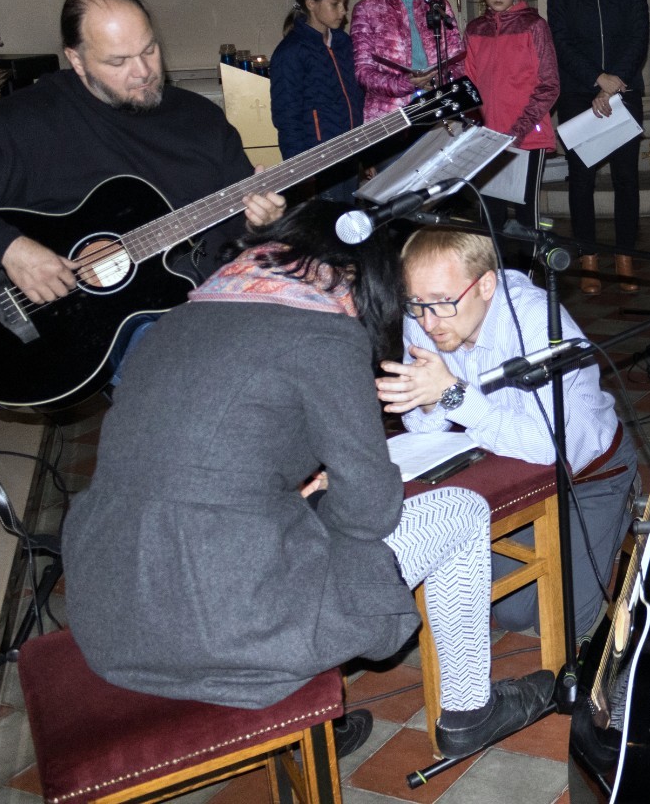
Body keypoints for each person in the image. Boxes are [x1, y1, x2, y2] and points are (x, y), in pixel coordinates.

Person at [63, 201, 554, 759]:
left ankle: (308, 718)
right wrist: (328, 498)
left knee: (294, 519)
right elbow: (371, 507)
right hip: (225, 624)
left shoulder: (176, 321)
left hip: (112, 609)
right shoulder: (323, 332)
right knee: (458, 511)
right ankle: (470, 712)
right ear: (361, 273)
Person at [0, 0, 283, 305]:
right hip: (81, 332)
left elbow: (238, 235)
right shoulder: (24, 122)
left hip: (210, 300)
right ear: (76, 60)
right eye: (119, 61)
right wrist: (9, 249)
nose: (143, 72)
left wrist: (260, 225)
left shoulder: (202, 120)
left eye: (149, 50)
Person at [375, 227, 637, 638]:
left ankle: (620, 510)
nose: (428, 322)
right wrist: (428, 400)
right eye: (416, 304)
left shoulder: (537, 321)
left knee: (564, 624)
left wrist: (452, 393)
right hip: (514, 464)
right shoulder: (425, 313)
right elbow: (425, 426)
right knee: (513, 615)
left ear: (485, 286)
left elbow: (548, 447)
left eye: (442, 303)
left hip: (590, 475)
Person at [547, 0, 650, 294]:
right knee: (581, 180)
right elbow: (560, 39)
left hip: (624, 89)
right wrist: (596, 80)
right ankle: (588, 259)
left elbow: (638, 33)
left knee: (626, 179)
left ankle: (625, 258)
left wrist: (614, 80)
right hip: (579, 91)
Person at [463, 0, 559, 243]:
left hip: (526, 136)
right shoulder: (475, 30)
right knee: (490, 217)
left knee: (527, 217)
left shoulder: (533, 26)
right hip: (488, 138)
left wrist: (517, 131)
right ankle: (496, 270)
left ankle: (529, 269)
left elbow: (549, 84)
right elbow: (468, 85)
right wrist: (475, 127)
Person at [269, 0, 364, 203]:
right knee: (328, 220)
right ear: (311, 3)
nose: (343, 11)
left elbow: (357, 96)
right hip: (319, 158)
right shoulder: (291, 51)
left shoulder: (343, 43)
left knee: (349, 217)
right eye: (335, 4)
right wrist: (299, 167)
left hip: (351, 151)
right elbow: (286, 115)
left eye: (344, 3)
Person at [351, 0, 460, 123]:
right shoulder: (367, 9)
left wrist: (440, 80)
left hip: (438, 102)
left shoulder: (437, 4)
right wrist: (405, 83)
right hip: (390, 114)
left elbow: (457, 59)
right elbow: (363, 72)